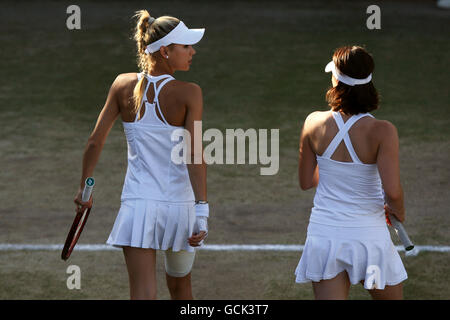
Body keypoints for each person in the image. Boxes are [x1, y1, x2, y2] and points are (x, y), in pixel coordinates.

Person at [73, 10, 208, 300]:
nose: (192, 51)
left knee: (142, 293)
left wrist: (86, 190)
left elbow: (95, 142)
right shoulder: (190, 93)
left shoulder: (122, 84)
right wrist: (202, 211)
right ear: (165, 51)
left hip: (138, 206)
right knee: (181, 287)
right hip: (179, 208)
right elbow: (195, 156)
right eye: (185, 46)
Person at [294, 45, 408, 300]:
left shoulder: (312, 122)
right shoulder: (383, 131)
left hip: (325, 237)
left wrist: (337, 174)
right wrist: (399, 211)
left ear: (335, 81)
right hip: (370, 237)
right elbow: (392, 191)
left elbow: (305, 182)